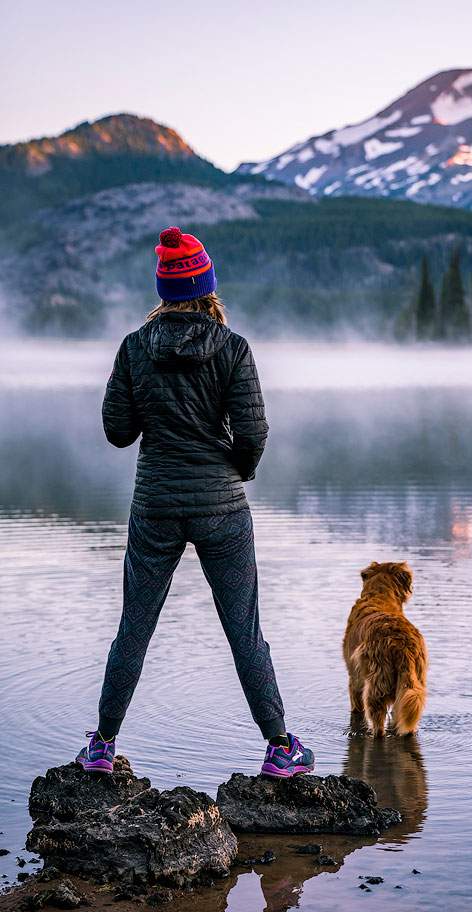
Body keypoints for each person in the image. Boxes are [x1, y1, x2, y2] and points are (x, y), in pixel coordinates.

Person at [76, 226, 314, 779]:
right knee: (244, 629)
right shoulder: (233, 348)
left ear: (163, 289)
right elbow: (253, 434)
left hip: (155, 505)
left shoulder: (135, 346)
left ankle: (102, 747)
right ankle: (280, 747)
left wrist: (152, 408)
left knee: (134, 626)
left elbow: (117, 431)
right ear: (207, 286)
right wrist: (237, 472)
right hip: (222, 509)